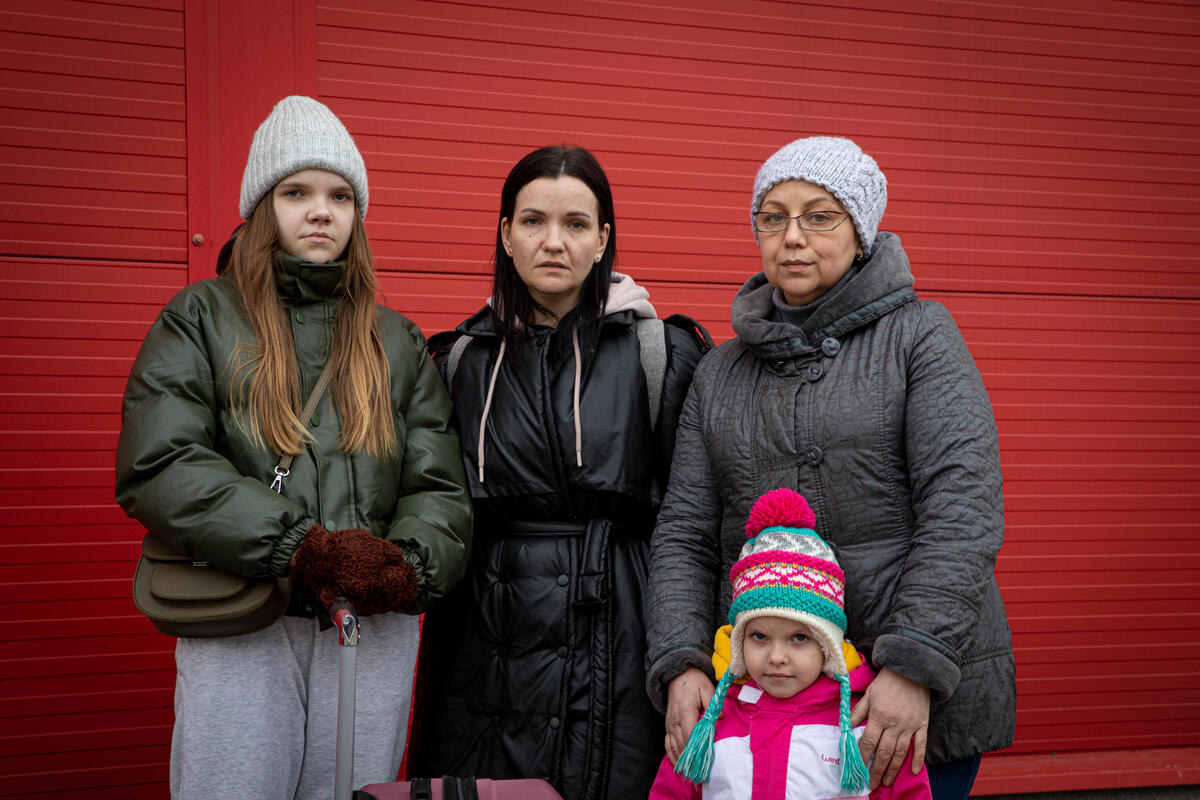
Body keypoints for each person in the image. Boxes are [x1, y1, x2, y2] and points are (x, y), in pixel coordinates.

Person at [114, 96, 472, 800]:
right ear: (261, 206)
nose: (320, 211)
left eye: (340, 195)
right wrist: (298, 548)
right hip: (245, 620)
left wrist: (406, 569)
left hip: (370, 634)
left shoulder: (395, 341)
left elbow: (440, 487)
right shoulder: (200, 318)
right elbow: (162, 463)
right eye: (296, 192)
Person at [645, 136, 1016, 800]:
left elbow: (962, 509)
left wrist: (912, 668)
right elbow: (684, 532)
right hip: (763, 698)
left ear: (860, 231)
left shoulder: (921, 336)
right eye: (773, 216)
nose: (793, 237)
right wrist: (681, 662)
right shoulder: (720, 371)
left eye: (820, 216)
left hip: (901, 697)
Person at [407, 145, 712, 800]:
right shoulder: (457, 360)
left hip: (621, 631)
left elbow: (695, 517)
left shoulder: (664, 352)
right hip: (484, 644)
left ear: (603, 239)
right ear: (505, 234)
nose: (554, 241)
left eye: (576, 224)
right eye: (533, 221)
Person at [649, 488, 931, 799]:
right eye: (759, 636)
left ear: (827, 645)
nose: (777, 657)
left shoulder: (863, 727)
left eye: (799, 638)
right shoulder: (711, 725)